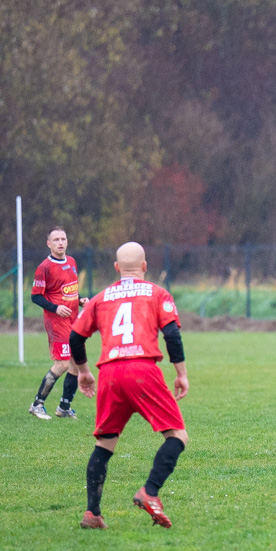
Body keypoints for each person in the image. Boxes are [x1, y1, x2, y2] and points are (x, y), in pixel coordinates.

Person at [71, 242, 188, 529]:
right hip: (142, 370)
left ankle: (92, 514)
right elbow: (172, 334)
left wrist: (84, 372)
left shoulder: (101, 298)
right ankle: (149, 492)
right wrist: (180, 373)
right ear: (145, 267)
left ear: (116, 269)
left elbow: (75, 338)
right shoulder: (156, 293)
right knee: (177, 436)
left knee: (105, 442)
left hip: (109, 373)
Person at [28, 227, 89, 420]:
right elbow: (35, 297)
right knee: (62, 364)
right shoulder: (44, 268)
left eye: (63, 239)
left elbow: (68, 290)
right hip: (57, 321)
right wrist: (55, 308)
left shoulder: (71, 262)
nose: (60, 242)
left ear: (67, 242)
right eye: (56, 240)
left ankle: (64, 407)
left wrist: (79, 300)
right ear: (49, 244)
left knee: (75, 364)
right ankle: (37, 404)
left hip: (74, 319)